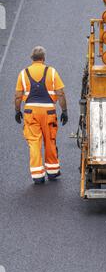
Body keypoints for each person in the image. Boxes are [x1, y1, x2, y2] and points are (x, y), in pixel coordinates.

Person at [15, 46, 68, 184]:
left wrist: (17, 110)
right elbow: (60, 93)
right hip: (48, 111)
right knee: (50, 141)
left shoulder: (23, 73)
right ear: (43, 59)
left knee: (34, 143)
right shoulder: (51, 72)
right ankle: (52, 171)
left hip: (30, 112)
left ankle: (38, 175)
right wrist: (64, 111)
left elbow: (18, 96)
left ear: (32, 59)